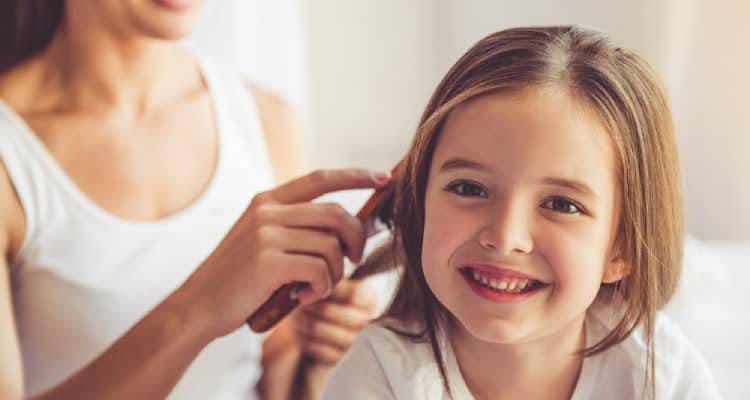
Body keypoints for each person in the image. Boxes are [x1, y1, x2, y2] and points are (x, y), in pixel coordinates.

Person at [0, 1, 385, 399]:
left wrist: (321, 350)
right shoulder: (12, 154)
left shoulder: (264, 119)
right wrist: (200, 308)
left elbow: (275, 358)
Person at [323, 26, 722, 399]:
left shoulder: (665, 378)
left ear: (621, 250)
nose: (505, 236)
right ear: (420, 203)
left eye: (562, 205)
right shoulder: (378, 378)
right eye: (468, 188)